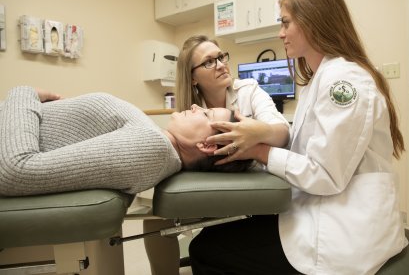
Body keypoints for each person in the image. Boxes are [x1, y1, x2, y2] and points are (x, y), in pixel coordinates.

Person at [190, 0, 407, 275]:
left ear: (313, 21)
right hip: (319, 208)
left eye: (285, 23)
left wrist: (260, 150)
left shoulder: (343, 81)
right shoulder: (321, 78)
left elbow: (326, 175)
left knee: (204, 249)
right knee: (220, 237)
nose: (280, 33)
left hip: (343, 228)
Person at [143, 35, 291, 275]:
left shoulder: (248, 90)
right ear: (192, 77)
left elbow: (283, 134)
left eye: (221, 57)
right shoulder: (190, 109)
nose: (221, 64)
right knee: (155, 218)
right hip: (210, 176)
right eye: (209, 62)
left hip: (248, 179)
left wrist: (252, 133)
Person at [0, 86, 251, 197]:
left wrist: (24, 94)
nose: (196, 106)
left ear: (206, 145)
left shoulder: (151, 149)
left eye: (207, 114)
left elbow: (16, 170)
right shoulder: (157, 141)